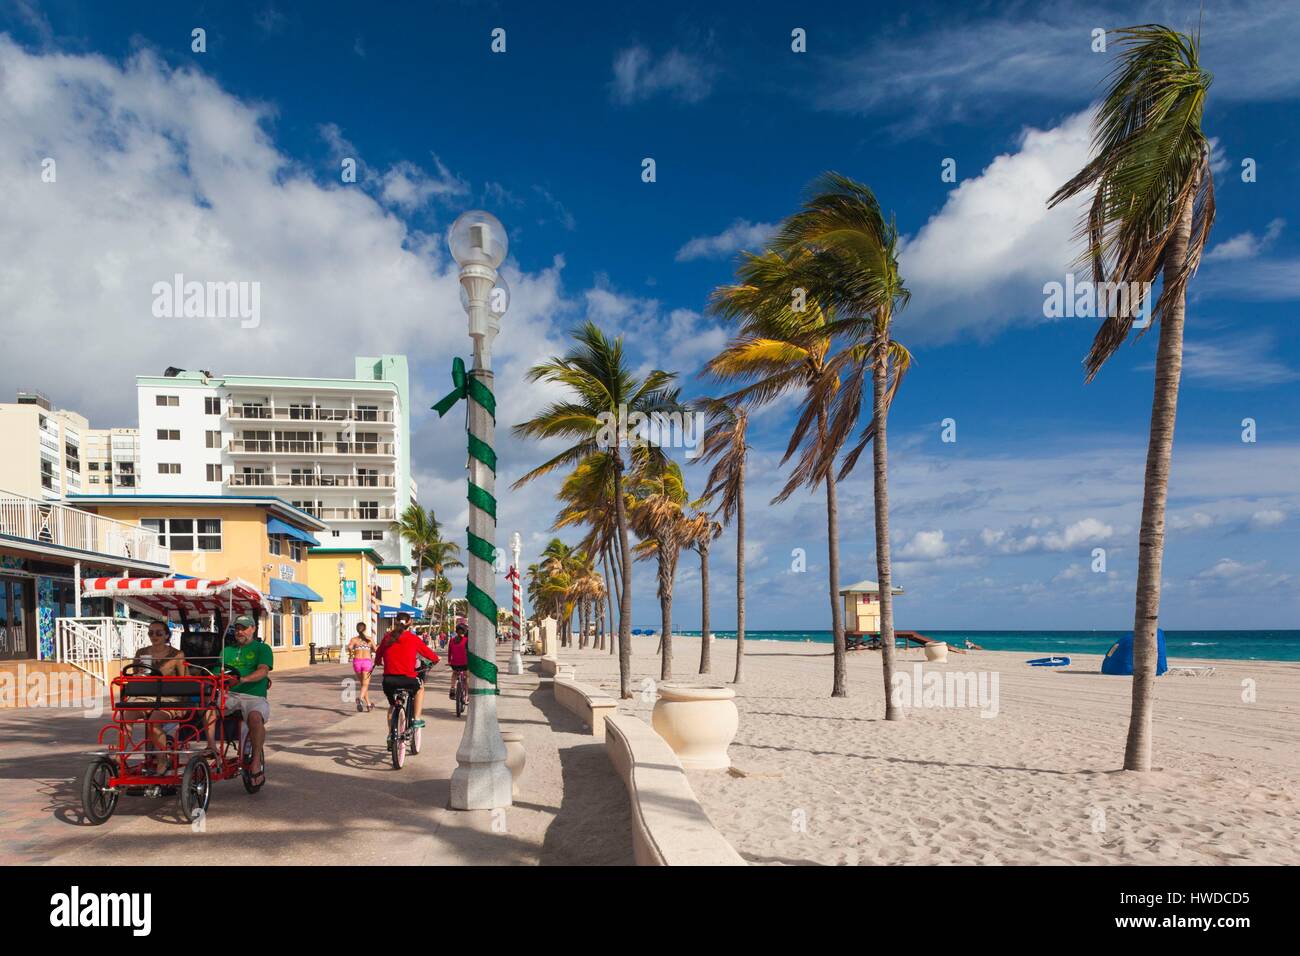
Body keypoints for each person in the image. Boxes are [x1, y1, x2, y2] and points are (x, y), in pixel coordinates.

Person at [222, 615, 273, 787]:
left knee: (255, 718)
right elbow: (215, 671)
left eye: (243, 628)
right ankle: (211, 747)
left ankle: (256, 760)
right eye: (237, 628)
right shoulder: (227, 650)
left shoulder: (262, 648)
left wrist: (242, 680)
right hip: (229, 694)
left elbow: (263, 671)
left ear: (253, 629)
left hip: (254, 696)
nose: (240, 631)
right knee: (208, 706)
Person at [133, 621, 188, 774]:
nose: (154, 636)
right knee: (125, 716)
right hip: (146, 696)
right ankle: (120, 755)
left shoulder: (177, 655)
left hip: (168, 698)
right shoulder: (141, 652)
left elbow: (185, 679)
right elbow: (132, 675)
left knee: (154, 721)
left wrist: (184, 705)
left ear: (166, 635)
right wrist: (137, 676)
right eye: (151, 633)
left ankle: (162, 759)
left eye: (158, 633)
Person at [375, 612, 438, 741]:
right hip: (408, 679)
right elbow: (429, 654)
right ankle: (417, 719)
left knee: (393, 706)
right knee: (420, 688)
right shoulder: (413, 638)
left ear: (396, 622)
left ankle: (391, 734)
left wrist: (378, 662)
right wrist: (436, 659)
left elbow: (378, 654)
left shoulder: (387, 637)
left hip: (388, 681)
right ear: (409, 623)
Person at [347, 621, 376, 713]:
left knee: (363, 684)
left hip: (357, 662)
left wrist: (353, 650)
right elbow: (375, 650)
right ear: (365, 629)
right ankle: (360, 698)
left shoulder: (354, 639)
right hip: (367, 662)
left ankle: (368, 704)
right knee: (365, 684)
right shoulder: (369, 639)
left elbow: (349, 648)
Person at [447, 620, 469, 700]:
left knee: (454, 674)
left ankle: (452, 687)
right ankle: (467, 695)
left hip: (454, 663)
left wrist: (449, 661)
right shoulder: (466, 640)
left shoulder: (452, 640)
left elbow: (449, 652)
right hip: (465, 663)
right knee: (467, 677)